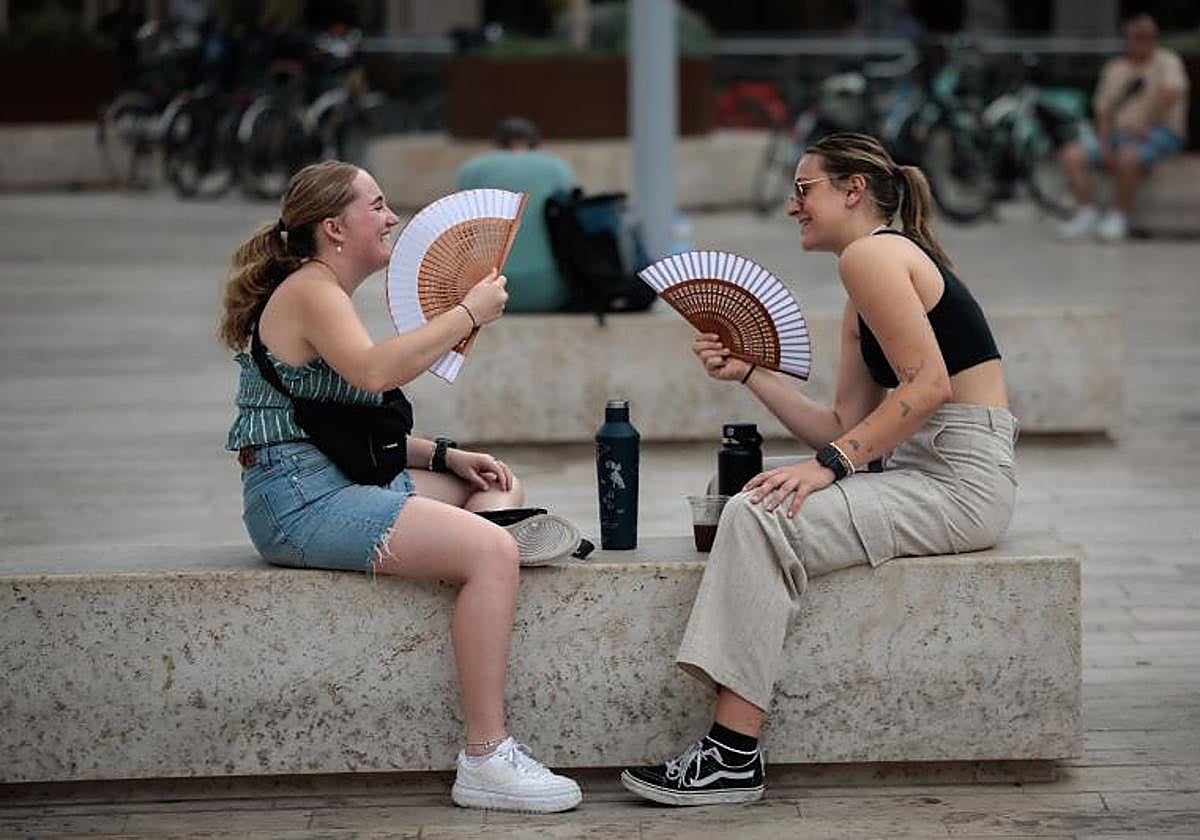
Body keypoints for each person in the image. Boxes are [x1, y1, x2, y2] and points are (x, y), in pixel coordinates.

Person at [621, 133, 1017, 806]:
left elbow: (927, 389)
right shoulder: (871, 270)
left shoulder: (873, 255)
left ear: (852, 189)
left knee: (760, 514)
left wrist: (831, 468)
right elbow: (839, 427)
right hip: (927, 467)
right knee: (753, 489)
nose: (791, 206)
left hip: (958, 480)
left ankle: (731, 754)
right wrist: (749, 371)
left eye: (804, 190)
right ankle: (728, 747)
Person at [219, 160, 582, 813]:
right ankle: (486, 759)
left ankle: (487, 553)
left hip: (330, 474)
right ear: (335, 227)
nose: (392, 219)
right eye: (378, 206)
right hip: (298, 498)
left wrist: (445, 455)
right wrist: (469, 311)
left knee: (496, 484)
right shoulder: (311, 289)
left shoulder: (323, 290)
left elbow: (338, 421)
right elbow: (373, 371)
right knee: (491, 551)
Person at [1058, 14, 1190, 242]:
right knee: (1072, 154)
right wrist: (1104, 143)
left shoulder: (1168, 61)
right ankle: (1086, 213)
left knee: (1128, 156)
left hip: (1160, 133)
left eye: (1148, 36)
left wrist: (1146, 122)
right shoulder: (1115, 68)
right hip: (1118, 135)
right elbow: (1103, 111)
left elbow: (1171, 93)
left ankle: (1119, 215)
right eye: (1137, 37)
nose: (1143, 41)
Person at [455, 117, 578, 311]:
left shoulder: (472, 169)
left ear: (495, 145)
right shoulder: (557, 168)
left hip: (485, 290)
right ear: (537, 145)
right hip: (548, 288)